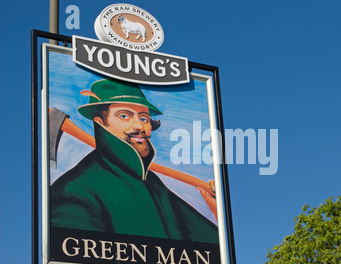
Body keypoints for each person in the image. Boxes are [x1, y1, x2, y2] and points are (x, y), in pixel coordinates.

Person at [50, 78, 218, 244]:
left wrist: (217, 212)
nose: (139, 126)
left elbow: (209, 247)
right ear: (101, 124)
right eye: (124, 116)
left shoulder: (151, 183)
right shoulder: (74, 192)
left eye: (144, 118)